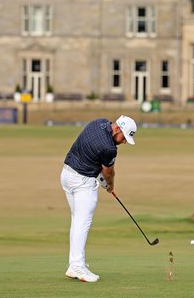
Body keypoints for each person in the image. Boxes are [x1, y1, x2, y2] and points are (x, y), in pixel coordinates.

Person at [60, 115, 137, 282]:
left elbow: (93, 157)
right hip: (82, 182)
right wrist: (110, 185)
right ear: (118, 130)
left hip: (66, 175)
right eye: (124, 137)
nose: (124, 142)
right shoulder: (109, 148)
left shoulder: (99, 122)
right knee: (82, 222)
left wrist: (101, 179)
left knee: (77, 220)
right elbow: (108, 172)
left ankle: (76, 263)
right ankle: (77, 267)